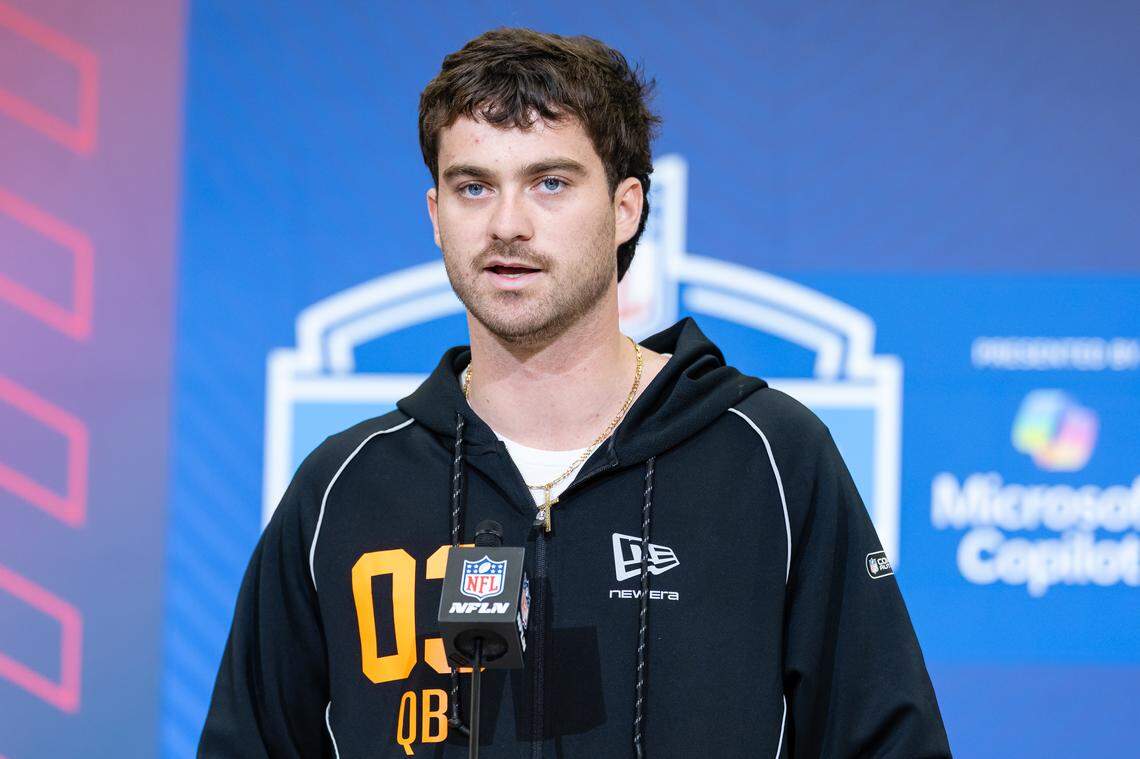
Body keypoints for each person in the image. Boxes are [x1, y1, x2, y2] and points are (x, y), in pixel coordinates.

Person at [199, 27, 952, 758]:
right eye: (473, 187)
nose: (507, 224)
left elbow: (886, 740)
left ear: (626, 208)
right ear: (435, 216)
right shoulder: (344, 486)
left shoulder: (771, 457)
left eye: (550, 182)